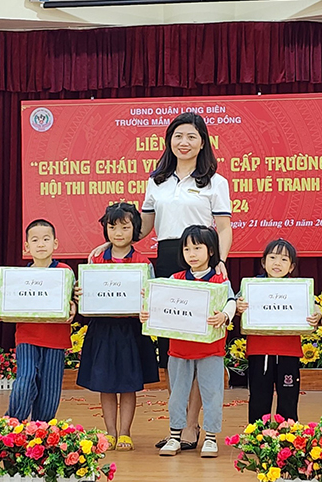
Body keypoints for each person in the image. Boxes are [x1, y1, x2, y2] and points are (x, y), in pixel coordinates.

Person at [92, 112, 232, 450]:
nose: (184, 142)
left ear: (203, 142)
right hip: (168, 259)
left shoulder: (216, 181)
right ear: (169, 141)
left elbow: (224, 227)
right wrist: (111, 245)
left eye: (192, 136)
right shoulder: (156, 180)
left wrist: (221, 261)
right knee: (174, 349)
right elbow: (142, 227)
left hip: (202, 260)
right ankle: (177, 423)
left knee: (198, 343)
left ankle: (193, 426)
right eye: (178, 136)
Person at [141, 225, 236, 459]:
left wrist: (225, 315)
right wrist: (148, 313)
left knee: (212, 392)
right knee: (177, 393)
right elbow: (160, 304)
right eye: (186, 249)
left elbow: (231, 301)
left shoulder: (220, 280)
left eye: (197, 248)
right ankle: (175, 436)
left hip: (211, 350)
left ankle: (211, 438)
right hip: (179, 349)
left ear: (211, 250)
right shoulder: (175, 279)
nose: (191, 254)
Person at [76, 202, 160, 451]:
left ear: (136, 230)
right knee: (106, 383)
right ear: (106, 229)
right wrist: (81, 294)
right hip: (102, 329)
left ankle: (125, 433)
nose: (119, 233)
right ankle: (110, 433)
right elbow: (86, 294)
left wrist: (147, 301)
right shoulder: (95, 259)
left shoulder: (143, 263)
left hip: (130, 330)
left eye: (125, 227)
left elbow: (152, 297)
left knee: (128, 383)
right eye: (113, 227)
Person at [235, 239, 321, 424]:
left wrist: (317, 314)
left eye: (284, 259)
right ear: (263, 262)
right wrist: (238, 306)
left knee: (288, 397)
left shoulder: (298, 288)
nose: (277, 263)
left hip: (288, 351)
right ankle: (257, 434)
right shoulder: (251, 286)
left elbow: (314, 305)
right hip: (259, 350)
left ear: (291, 266)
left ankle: (288, 435)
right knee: (259, 396)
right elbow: (236, 302)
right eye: (272, 257)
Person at [2, 219, 76, 421]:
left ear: (55, 243)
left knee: (50, 393)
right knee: (25, 380)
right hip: (27, 336)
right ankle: (12, 424)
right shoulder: (19, 276)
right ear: (26, 246)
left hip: (56, 339)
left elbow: (73, 300)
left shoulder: (65, 271)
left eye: (46, 239)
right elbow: (9, 302)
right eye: (35, 240)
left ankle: (41, 430)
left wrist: (74, 307)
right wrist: (1, 308)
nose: (41, 244)